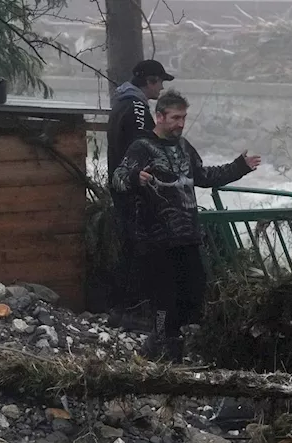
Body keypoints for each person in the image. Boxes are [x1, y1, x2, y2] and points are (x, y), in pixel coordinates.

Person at [111, 89, 262, 361]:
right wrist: (136, 177)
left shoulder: (184, 147)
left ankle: (178, 342)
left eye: (184, 118)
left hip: (188, 236)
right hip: (157, 238)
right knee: (162, 298)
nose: (180, 124)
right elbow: (117, 179)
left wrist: (240, 167)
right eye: (175, 118)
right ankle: (158, 344)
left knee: (193, 292)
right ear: (159, 116)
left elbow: (204, 175)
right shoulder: (141, 147)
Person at [104, 60, 175, 328]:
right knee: (137, 249)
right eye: (161, 82)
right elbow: (140, 147)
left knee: (129, 246)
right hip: (134, 189)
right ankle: (130, 311)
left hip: (122, 185)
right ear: (151, 81)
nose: (162, 87)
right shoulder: (136, 107)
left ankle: (120, 309)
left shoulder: (121, 102)